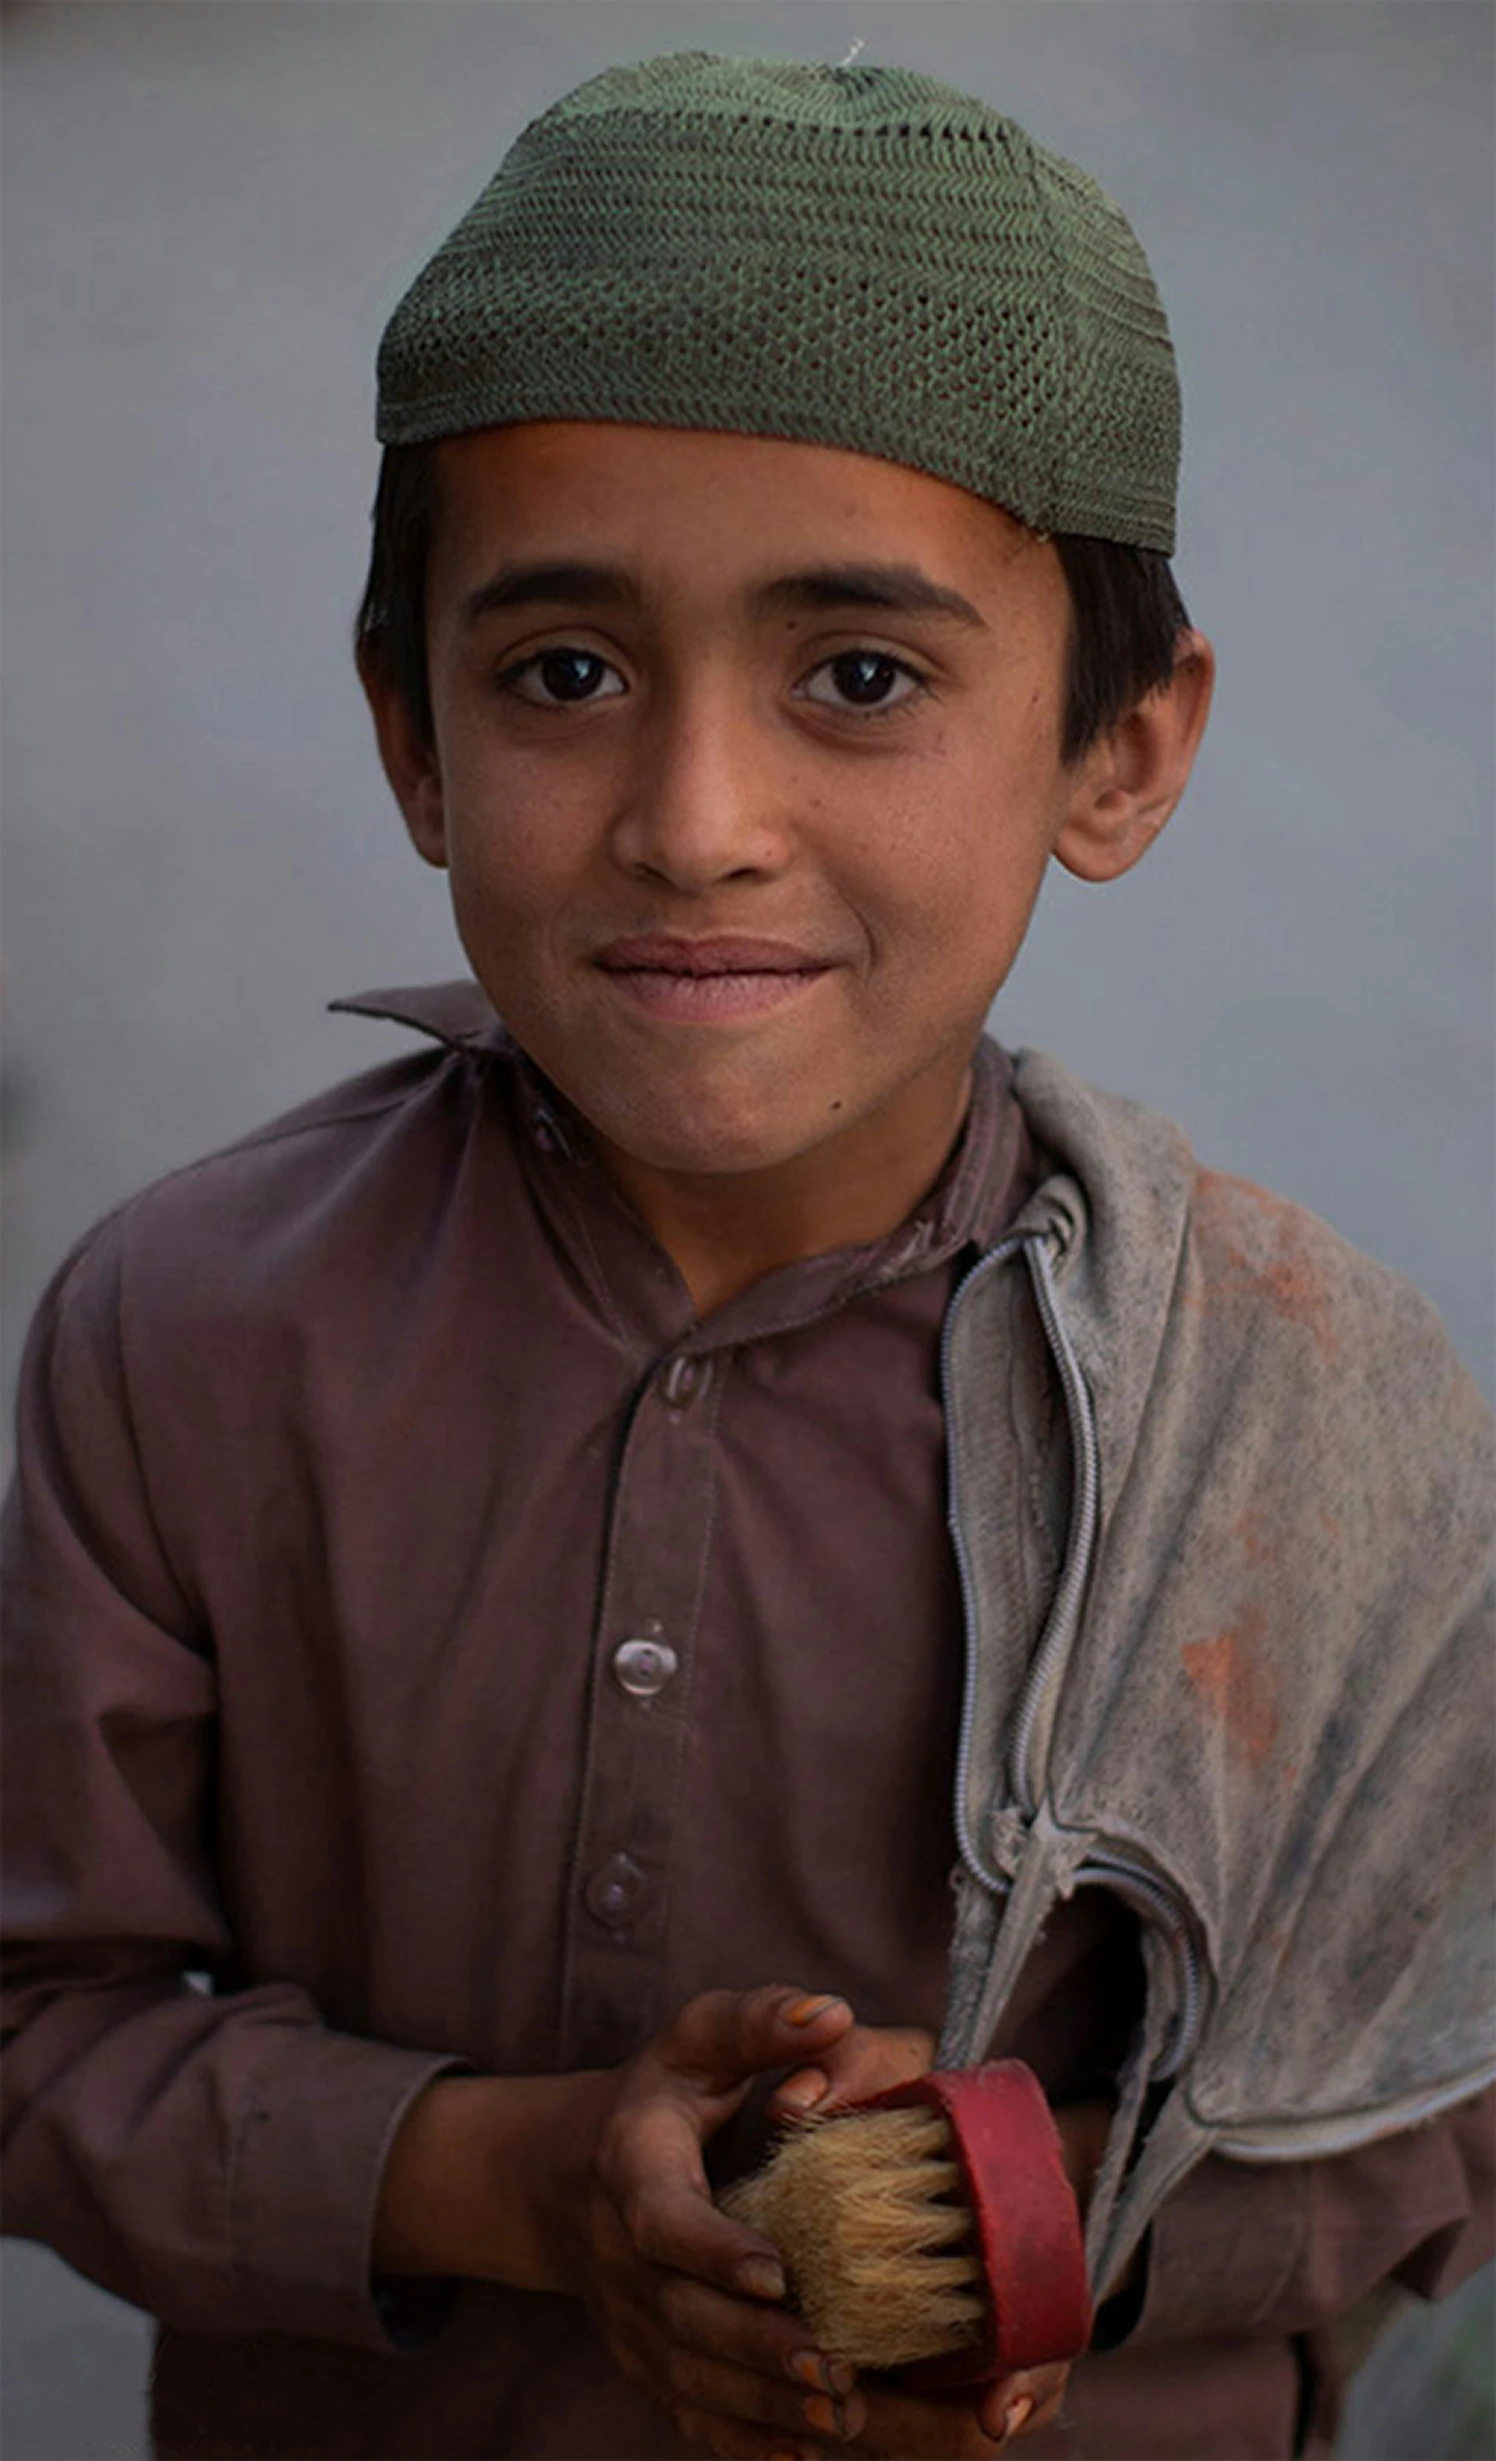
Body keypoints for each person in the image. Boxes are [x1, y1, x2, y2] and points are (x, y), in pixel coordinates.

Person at [2, 49, 1491, 2461]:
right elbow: (32, 2028)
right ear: (413, 739)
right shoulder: (191, 1334)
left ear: (1117, 749)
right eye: (564, 674)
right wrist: (494, 2178)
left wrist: (1028, 2226)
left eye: (862, 678)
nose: (697, 824)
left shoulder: (1300, 1401)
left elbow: (1440, 2106)